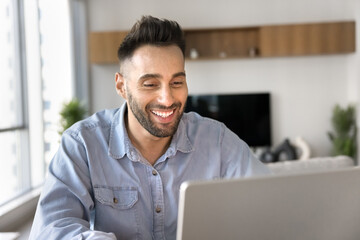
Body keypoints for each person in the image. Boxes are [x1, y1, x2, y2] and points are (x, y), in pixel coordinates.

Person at [29, 15, 270, 240]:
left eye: (177, 82)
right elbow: (51, 230)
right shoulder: (82, 144)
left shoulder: (217, 140)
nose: (167, 99)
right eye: (150, 84)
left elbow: (270, 206)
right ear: (122, 87)